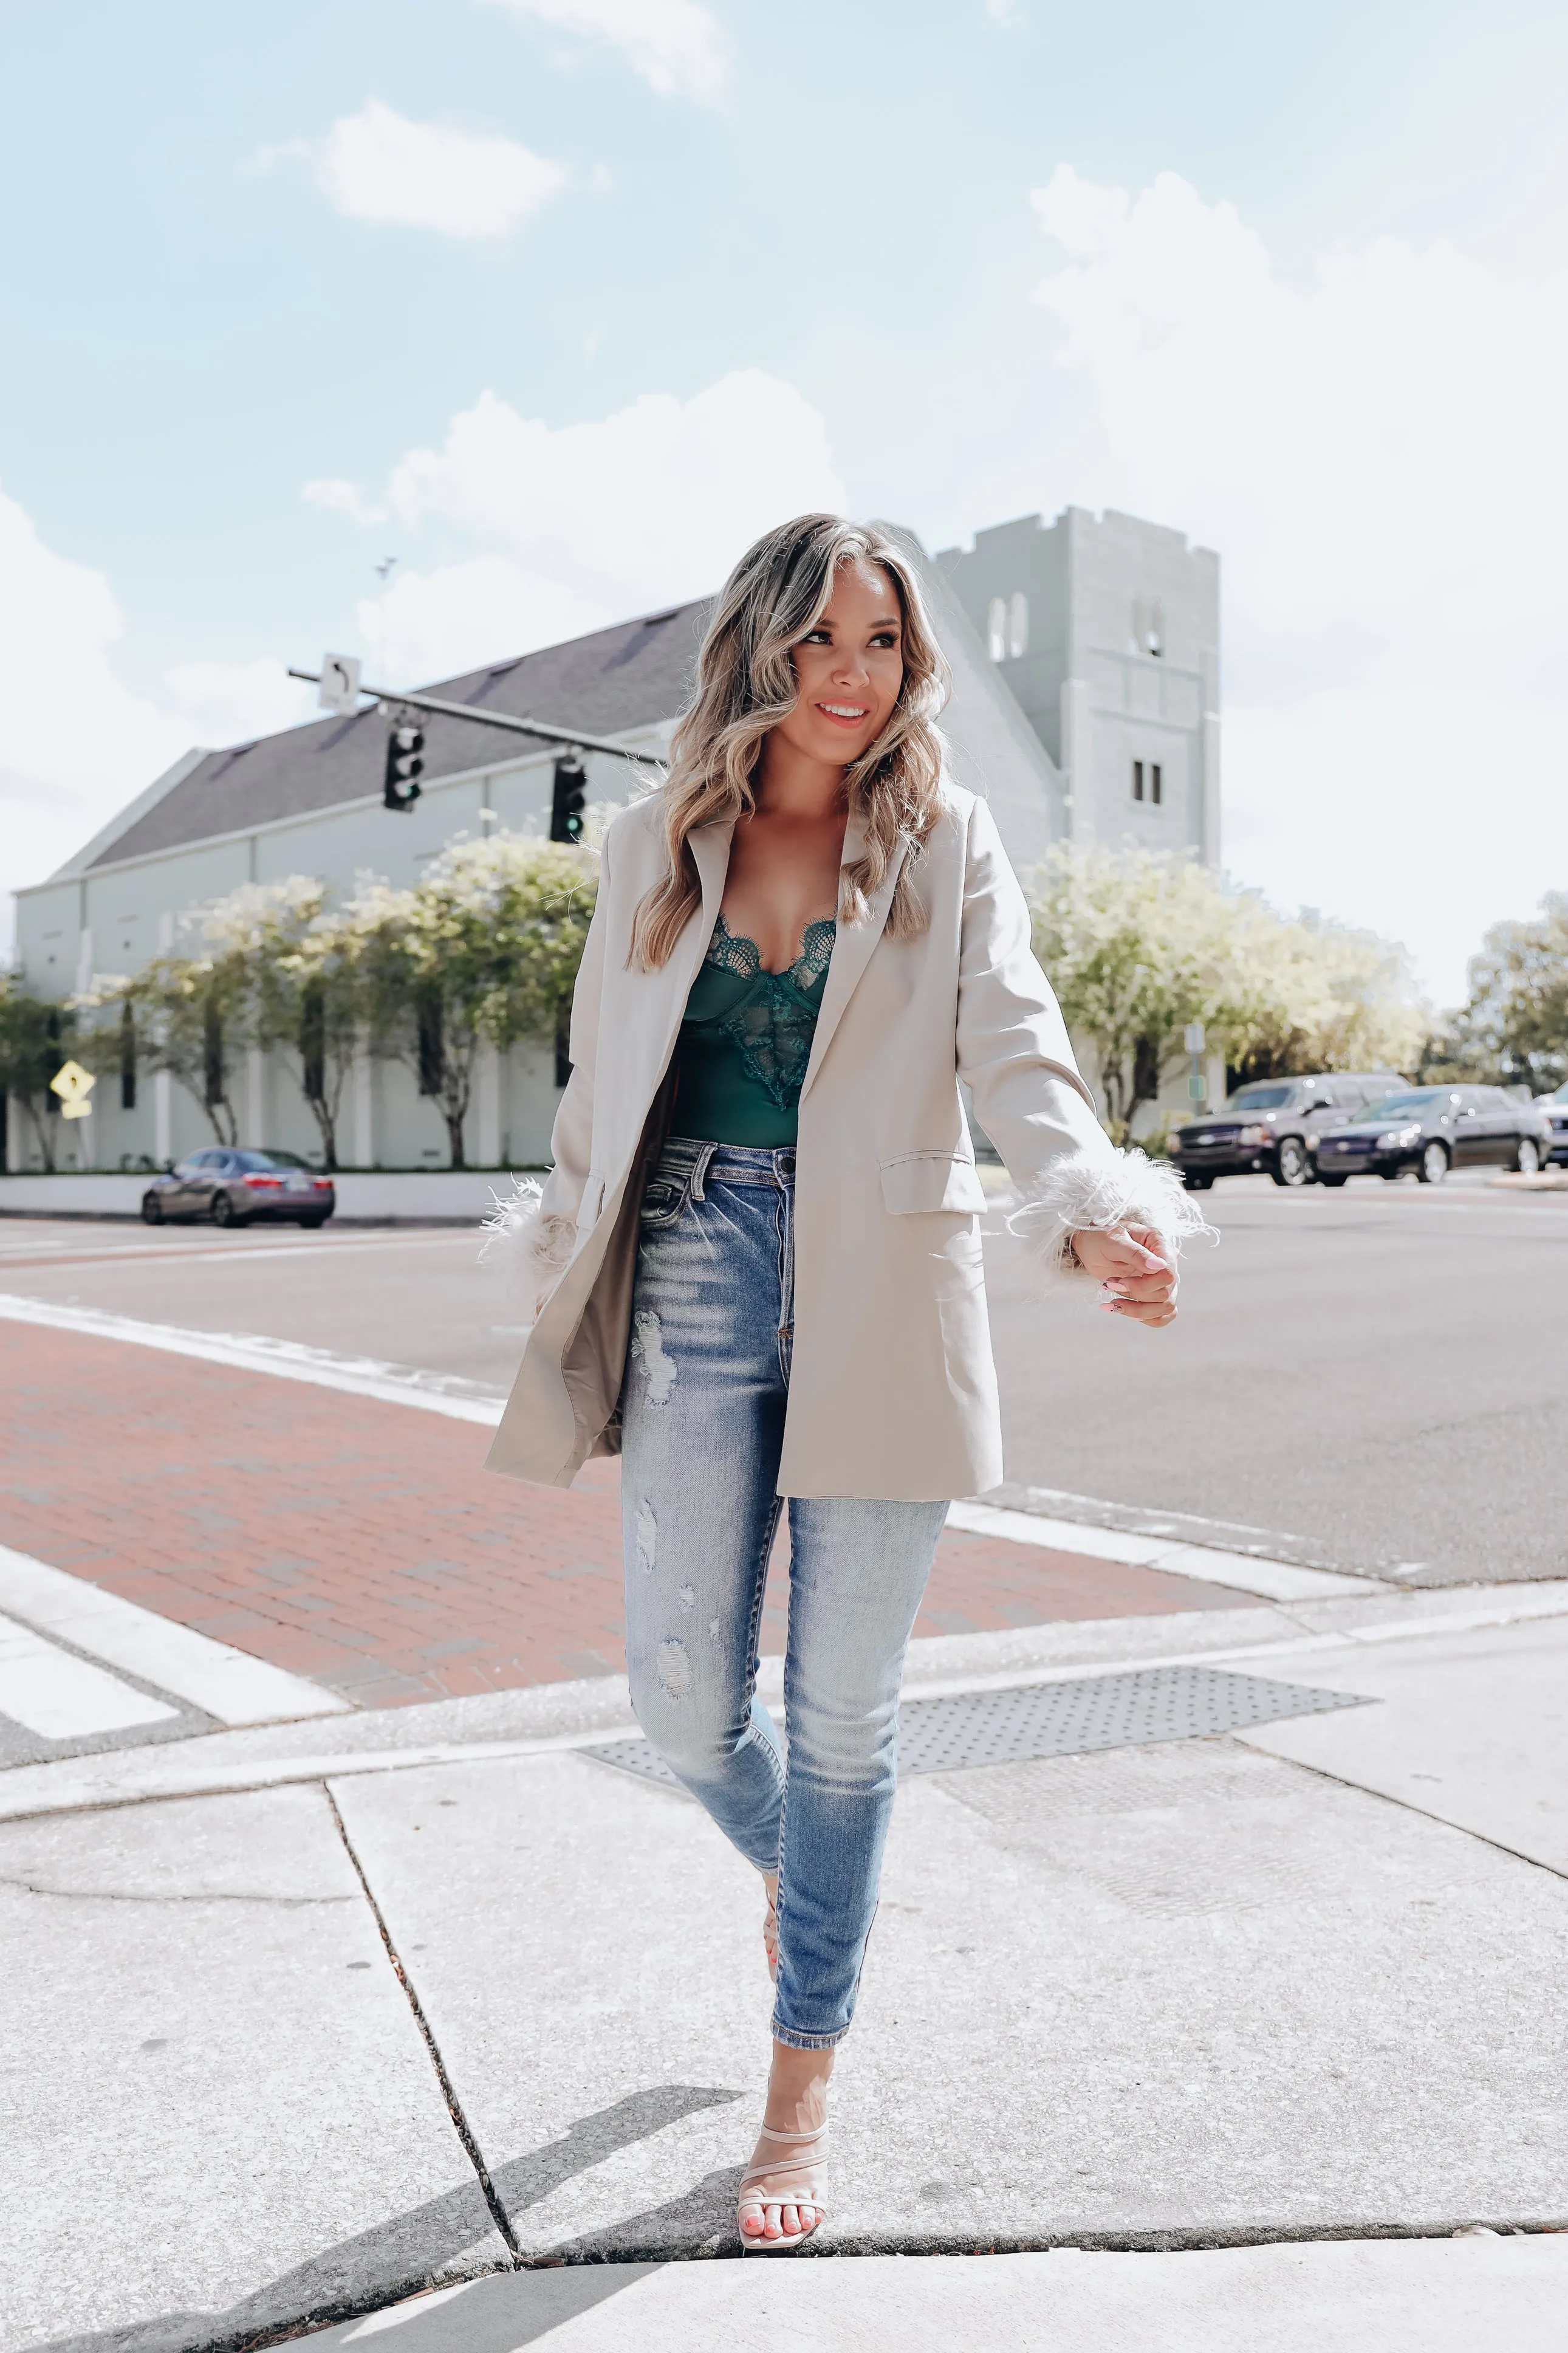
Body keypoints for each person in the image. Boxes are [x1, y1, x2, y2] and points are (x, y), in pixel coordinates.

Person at [485, 514, 1203, 2251]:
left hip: (884, 1275)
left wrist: (1093, 1206)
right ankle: (816, 1890)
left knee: (843, 1725)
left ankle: (798, 2082)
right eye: (816, 641)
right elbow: (603, 1057)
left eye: (880, 643)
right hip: (690, 1266)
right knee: (674, 1705)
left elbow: (1015, 1043)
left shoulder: (944, 835)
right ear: (755, 650)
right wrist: (563, 1247)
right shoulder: (661, 838)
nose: (849, 677)